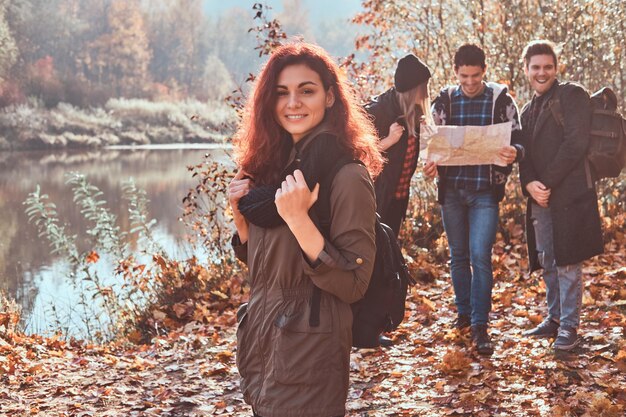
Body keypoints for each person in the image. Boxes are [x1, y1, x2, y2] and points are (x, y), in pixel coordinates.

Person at [228, 42, 383, 417]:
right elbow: (270, 268)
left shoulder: (346, 176)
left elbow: (354, 283)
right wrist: (241, 221)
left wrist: (300, 222)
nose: (293, 103)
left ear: (330, 97)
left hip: (310, 352)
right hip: (263, 342)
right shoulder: (271, 172)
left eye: (306, 90)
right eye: (282, 92)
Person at [424, 43, 524, 355]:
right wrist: (430, 164)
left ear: (485, 71)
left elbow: (520, 140)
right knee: (458, 256)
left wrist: (514, 153)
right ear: (455, 72)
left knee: (480, 255)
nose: (470, 82)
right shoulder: (444, 101)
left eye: (475, 76)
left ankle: (481, 324)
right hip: (452, 192)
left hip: (484, 193)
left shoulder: (500, 100)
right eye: (464, 76)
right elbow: (430, 144)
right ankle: (463, 315)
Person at [519, 40, 603, 351]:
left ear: (557, 68)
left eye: (548, 67)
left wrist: (546, 183)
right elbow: (522, 155)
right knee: (548, 260)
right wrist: (530, 185)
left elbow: (575, 143)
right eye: (536, 67)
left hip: (569, 196)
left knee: (568, 262)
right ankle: (554, 319)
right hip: (540, 197)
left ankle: (569, 327)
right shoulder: (527, 110)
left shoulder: (572, 95)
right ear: (526, 69)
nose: (542, 73)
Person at [365, 53, 433, 238]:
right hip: (377, 198)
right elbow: (356, 154)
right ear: (413, 89)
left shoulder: (415, 112)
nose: (427, 91)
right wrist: (388, 141)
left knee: (389, 251)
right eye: (423, 87)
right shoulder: (378, 111)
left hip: (399, 197)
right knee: (375, 250)